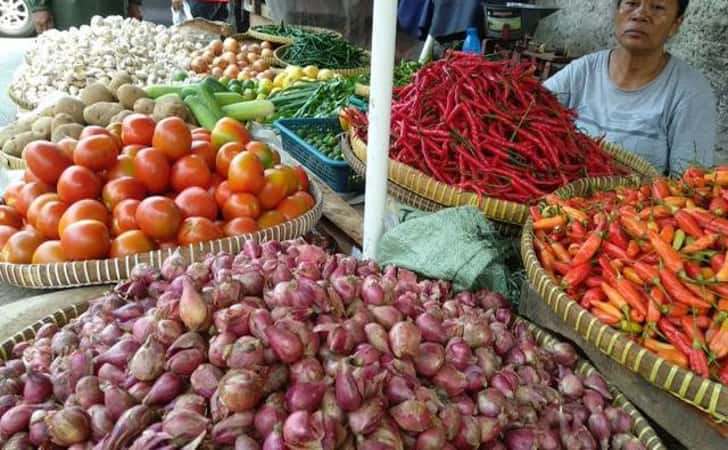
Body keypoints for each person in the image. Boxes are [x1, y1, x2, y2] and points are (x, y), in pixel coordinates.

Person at [544, 0, 717, 175]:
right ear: (616, 11)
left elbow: (690, 184)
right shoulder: (582, 72)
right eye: (632, 3)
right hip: (560, 198)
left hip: (639, 201)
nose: (640, 15)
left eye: (657, 8)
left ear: (675, 24)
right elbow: (528, 111)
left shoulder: (691, 92)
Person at [30, 0, 143, 33]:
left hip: (112, 7)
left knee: (110, 60)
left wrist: (134, 3)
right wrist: (38, 5)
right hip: (70, 11)